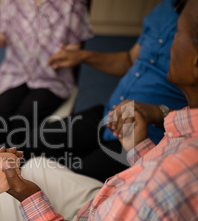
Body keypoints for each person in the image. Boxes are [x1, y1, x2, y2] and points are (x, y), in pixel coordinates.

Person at [0, 0, 198, 221]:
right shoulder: (184, 137)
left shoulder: (166, 186)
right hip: (116, 136)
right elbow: (152, 170)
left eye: (179, 35)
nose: (172, 43)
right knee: (32, 161)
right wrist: (139, 147)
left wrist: (31, 201)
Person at [24, 0, 188, 182]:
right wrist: (82, 56)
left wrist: (159, 113)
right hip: (109, 114)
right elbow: (130, 60)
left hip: (148, 140)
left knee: (71, 182)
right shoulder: (165, 7)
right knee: (32, 145)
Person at [0, 0, 93, 150]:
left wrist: (65, 55)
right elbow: (5, 38)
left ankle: (19, 169)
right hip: (15, 72)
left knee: (22, 120)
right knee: (0, 113)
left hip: (52, 78)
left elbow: (76, 46)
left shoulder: (72, 4)